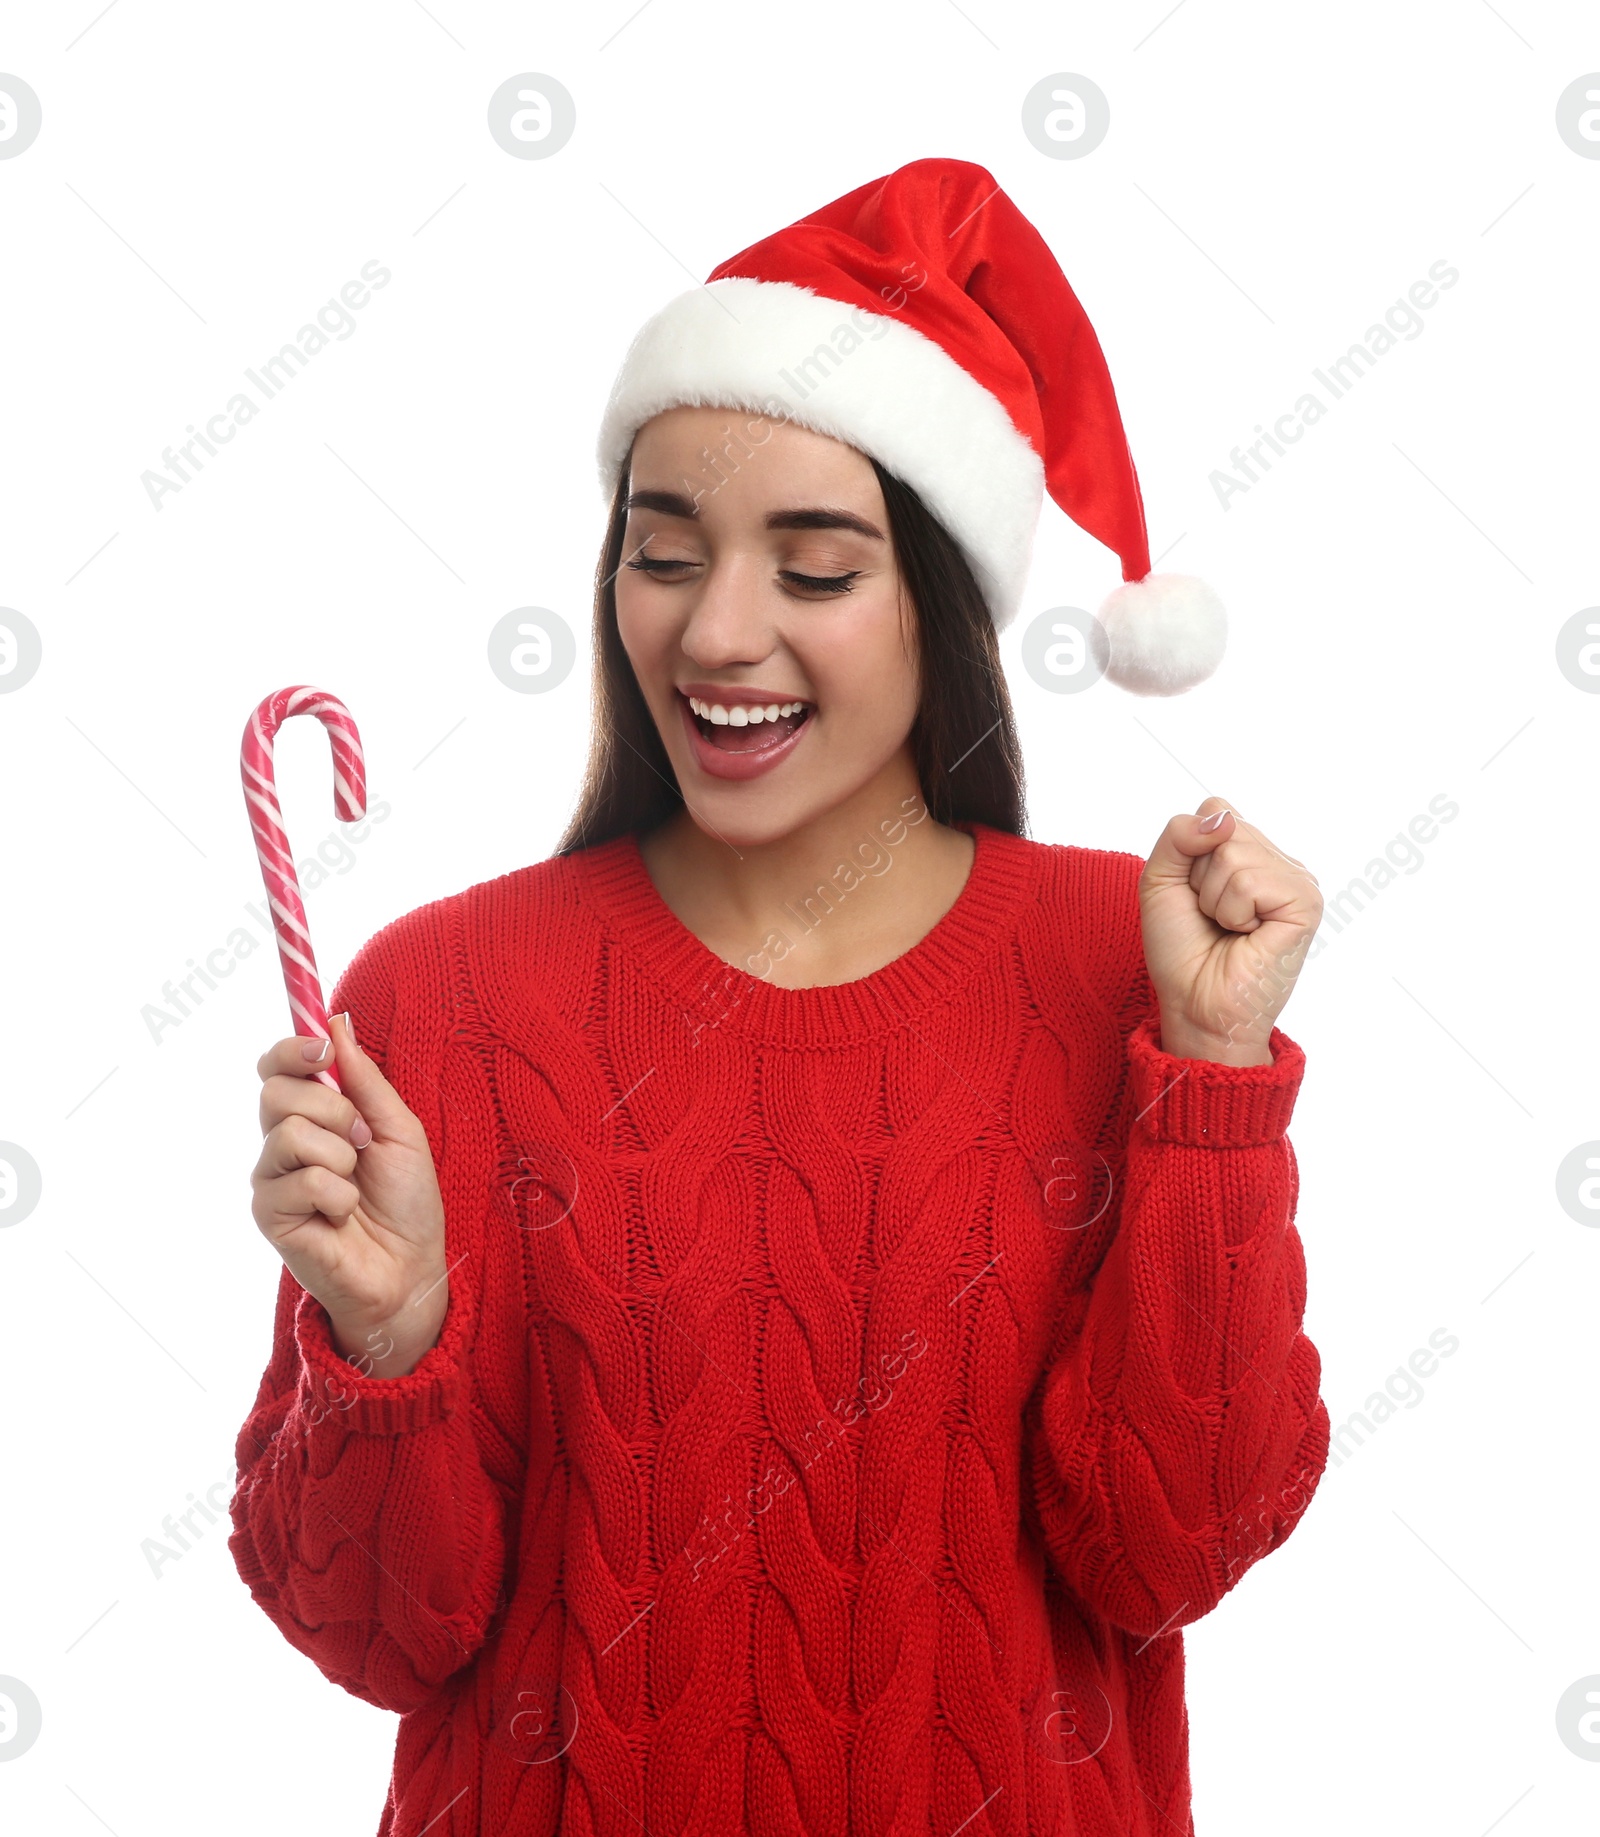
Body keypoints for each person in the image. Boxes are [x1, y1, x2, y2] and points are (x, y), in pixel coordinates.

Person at [228, 157, 1329, 1836]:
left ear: (939, 608)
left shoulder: (1141, 966)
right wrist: (386, 1338)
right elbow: (378, 1632)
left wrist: (1214, 1077)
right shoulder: (440, 997)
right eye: (665, 554)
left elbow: (1171, 1543)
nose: (717, 631)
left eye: (814, 572)